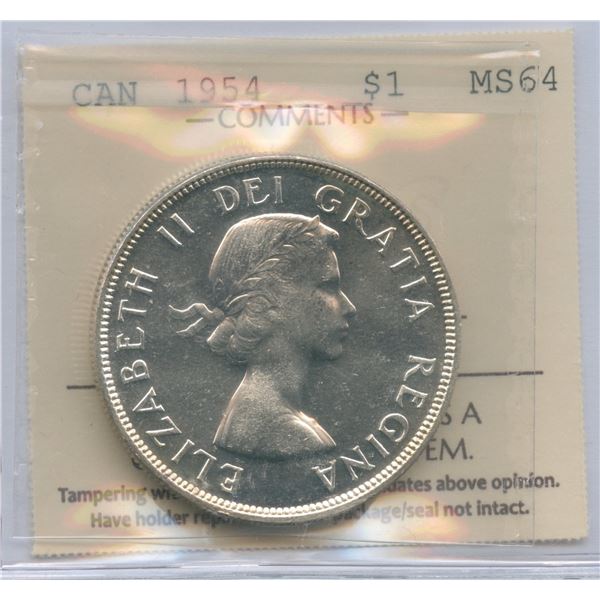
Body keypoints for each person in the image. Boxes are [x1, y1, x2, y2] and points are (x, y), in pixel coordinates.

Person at [169, 213, 356, 459]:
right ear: (268, 301)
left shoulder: (272, 416)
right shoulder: (283, 431)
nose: (349, 308)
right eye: (328, 287)